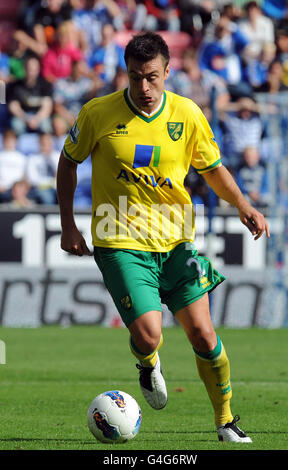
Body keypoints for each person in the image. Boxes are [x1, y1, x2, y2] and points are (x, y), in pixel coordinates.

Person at [56, 32, 270, 443]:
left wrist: (243, 204)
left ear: (168, 72)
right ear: (127, 74)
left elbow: (212, 169)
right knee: (150, 332)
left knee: (204, 336)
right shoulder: (98, 113)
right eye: (136, 78)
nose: (145, 87)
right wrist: (68, 224)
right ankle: (147, 360)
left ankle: (225, 422)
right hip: (119, 242)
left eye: (153, 77)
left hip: (176, 243)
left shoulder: (187, 115)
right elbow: (68, 163)